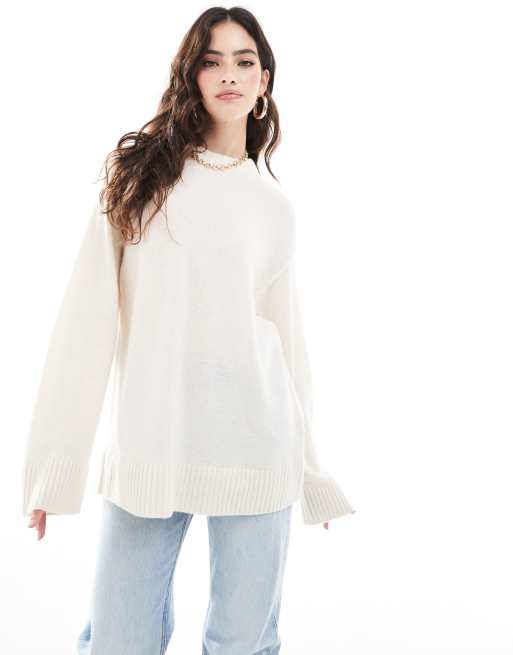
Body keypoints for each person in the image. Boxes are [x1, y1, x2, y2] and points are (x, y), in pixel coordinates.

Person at [22, 6, 356, 653]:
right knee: (119, 640)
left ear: (263, 82)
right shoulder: (139, 180)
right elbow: (84, 326)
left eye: (244, 61)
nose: (228, 74)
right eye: (211, 60)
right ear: (191, 75)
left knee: (242, 643)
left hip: (256, 450)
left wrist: (313, 473)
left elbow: (288, 348)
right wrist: (54, 468)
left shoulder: (273, 208)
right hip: (151, 448)